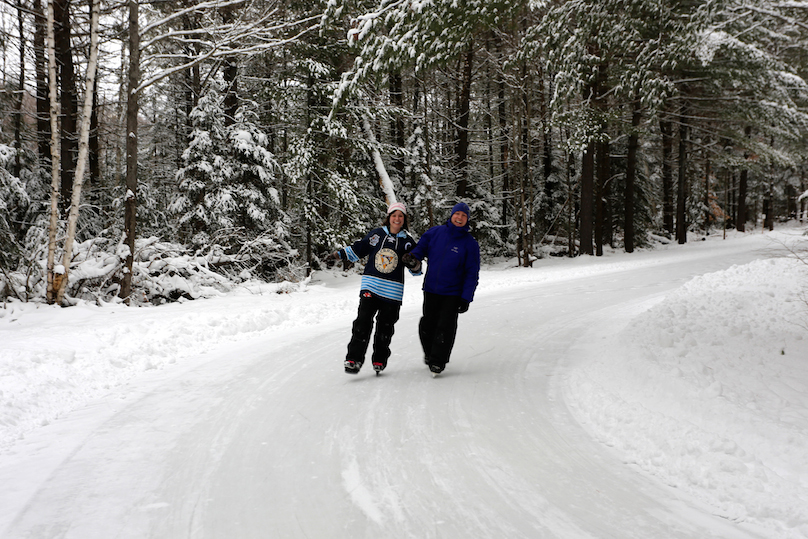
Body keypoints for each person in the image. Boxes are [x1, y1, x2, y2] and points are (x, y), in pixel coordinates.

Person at [326, 202, 421, 375]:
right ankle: (353, 359)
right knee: (362, 322)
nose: (397, 219)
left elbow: (417, 269)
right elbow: (359, 248)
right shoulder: (376, 235)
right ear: (389, 217)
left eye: (400, 216)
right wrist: (337, 255)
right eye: (394, 215)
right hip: (371, 286)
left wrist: (413, 263)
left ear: (404, 219)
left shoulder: (408, 242)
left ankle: (380, 359)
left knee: (385, 327)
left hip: (393, 292)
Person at [402, 202, 480, 375]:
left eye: (463, 216)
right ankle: (430, 354)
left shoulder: (470, 244)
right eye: (457, 214)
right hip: (431, 289)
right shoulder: (435, 233)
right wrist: (412, 257)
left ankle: (438, 361)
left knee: (445, 327)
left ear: (467, 220)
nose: (459, 218)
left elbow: (471, 273)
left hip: (452, 293)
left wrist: (466, 297)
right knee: (427, 325)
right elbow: (421, 248)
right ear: (451, 215)